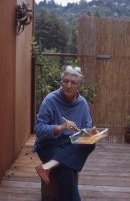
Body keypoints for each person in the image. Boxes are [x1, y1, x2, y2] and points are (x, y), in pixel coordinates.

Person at [33, 65, 96, 201]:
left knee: (91, 143)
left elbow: (87, 127)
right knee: (67, 169)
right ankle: (54, 164)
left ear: (78, 85)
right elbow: (38, 129)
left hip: (70, 144)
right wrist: (60, 128)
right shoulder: (50, 100)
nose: (68, 85)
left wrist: (89, 133)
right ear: (61, 81)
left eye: (73, 82)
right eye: (66, 81)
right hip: (49, 145)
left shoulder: (82, 103)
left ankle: (48, 166)